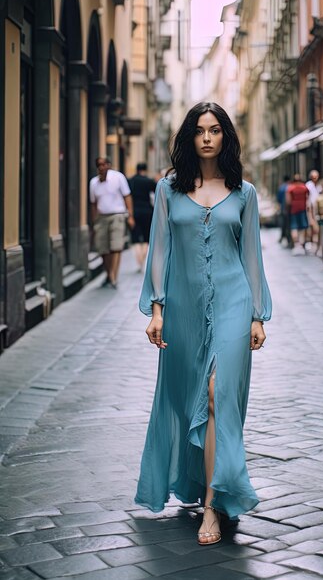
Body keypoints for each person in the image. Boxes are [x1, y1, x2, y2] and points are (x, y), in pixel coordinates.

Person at [135, 102, 272, 546]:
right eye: (199, 130)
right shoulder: (168, 190)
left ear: (225, 136)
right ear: (190, 138)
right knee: (189, 398)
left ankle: (211, 507)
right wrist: (157, 309)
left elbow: (252, 255)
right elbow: (159, 251)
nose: (207, 137)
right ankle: (202, 483)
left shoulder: (244, 192)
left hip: (234, 303)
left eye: (215, 130)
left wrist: (257, 314)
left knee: (216, 396)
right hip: (184, 307)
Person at [89, 157, 135, 289]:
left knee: (116, 247)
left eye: (104, 164)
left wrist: (130, 216)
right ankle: (109, 274)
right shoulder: (93, 183)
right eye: (99, 165)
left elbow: (127, 196)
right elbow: (93, 204)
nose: (102, 167)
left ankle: (113, 277)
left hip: (117, 216)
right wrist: (94, 222)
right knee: (103, 248)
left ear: (109, 165)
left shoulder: (118, 177)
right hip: (101, 218)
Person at [129, 163, 157, 272]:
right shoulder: (149, 181)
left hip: (134, 211)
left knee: (135, 237)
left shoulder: (131, 181)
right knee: (146, 237)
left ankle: (139, 262)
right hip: (147, 211)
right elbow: (157, 193)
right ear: (145, 169)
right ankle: (142, 261)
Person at [286, 173, 309, 255]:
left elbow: (288, 200)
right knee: (302, 227)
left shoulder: (290, 188)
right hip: (302, 208)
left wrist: (288, 209)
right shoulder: (304, 187)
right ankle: (301, 245)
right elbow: (307, 198)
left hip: (294, 209)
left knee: (294, 227)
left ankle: (296, 244)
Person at [305, 169, 322, 249]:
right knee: (311, 224)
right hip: (310, 208)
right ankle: (311, 241)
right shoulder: (308, 185)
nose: (315, 178)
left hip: (318, 208)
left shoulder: (319, 186)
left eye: (316, 177)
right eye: (313, 177)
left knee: (317, 226)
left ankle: (316, 242)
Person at [276, 175, 291, 245]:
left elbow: (278, 200)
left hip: (283, 208)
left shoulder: (281, 188)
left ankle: (282, 237)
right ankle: (288, 238)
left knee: (283, 223)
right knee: (289, 224)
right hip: (290, 209)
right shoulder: (290, 187)